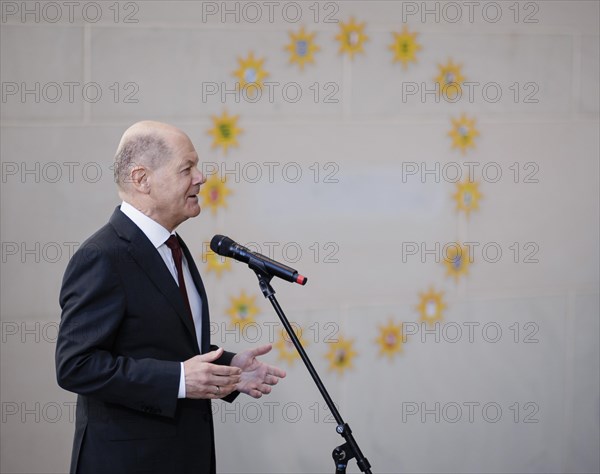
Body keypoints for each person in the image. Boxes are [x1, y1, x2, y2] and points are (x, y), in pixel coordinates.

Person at [55, 121, 286, 474]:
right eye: (187, 168)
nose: (201, 177)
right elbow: (76, 366)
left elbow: (165, 347)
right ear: (142, 179)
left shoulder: (172, 245)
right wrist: (178, 380)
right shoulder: (102, 256)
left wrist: (227, 369)